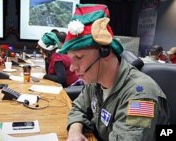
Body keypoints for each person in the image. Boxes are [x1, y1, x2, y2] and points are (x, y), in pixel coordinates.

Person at [57, 4, 169, 141]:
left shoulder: (141, 96)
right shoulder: (94, 80)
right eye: (70, 59)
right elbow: (78, 108)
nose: (72, 68)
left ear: (105, 52)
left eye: (79, 57)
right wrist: (75, 131)